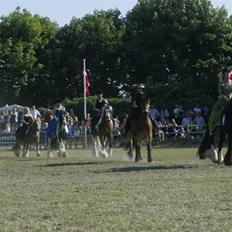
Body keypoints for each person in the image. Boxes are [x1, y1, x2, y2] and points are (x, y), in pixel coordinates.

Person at [208, 66, 232, 140]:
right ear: (224, 74)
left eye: (229, 72)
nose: (228, 74)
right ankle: (213, 128)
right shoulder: (221, 83)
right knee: (216, 113)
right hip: (223, 101)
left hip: (231, 100)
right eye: (226, 73)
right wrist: (228, 100)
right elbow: (221, 94)